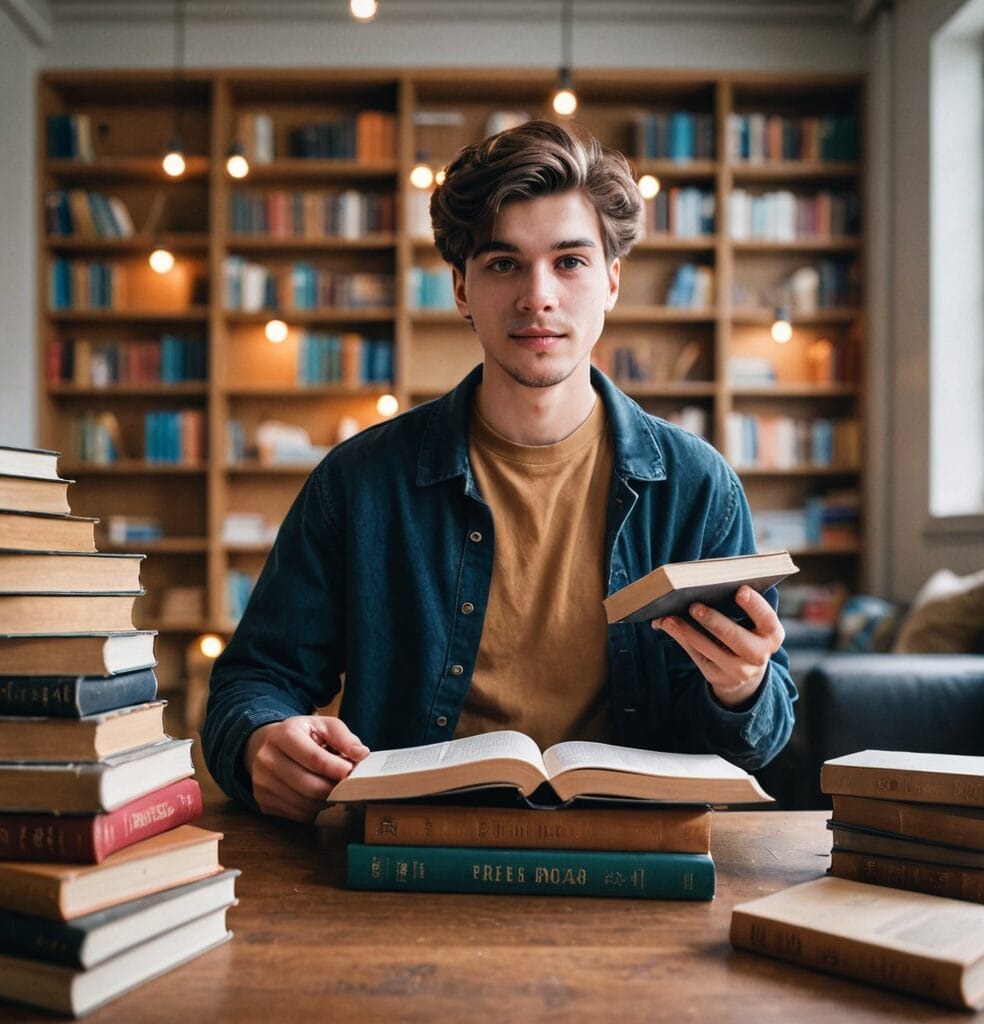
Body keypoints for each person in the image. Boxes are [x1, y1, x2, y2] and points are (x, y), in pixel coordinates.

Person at [202, 119, 797, 822]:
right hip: (412, 851)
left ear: (611, 281)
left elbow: (756, 737)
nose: (537, 296)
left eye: (569, 262)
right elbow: (253, 681)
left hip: (632, 857)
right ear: (460, 287)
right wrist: (259, 742)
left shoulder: (698, 487)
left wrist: (743, 688)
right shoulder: (359, 482)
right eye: (504, 263)